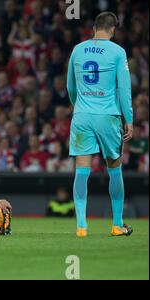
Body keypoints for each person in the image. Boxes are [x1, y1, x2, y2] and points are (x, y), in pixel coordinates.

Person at [66, 12, 133, 237]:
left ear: (94, 27)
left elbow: (70, 87)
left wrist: (81, 106)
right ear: (113, 29)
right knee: (114, 170)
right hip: (108, 116)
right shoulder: (118, 52)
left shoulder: (77, 49)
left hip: (82, 115)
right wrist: (129, 119)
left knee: (81, 171)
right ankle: (116, 225)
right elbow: (124, 89)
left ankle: (81, 227)